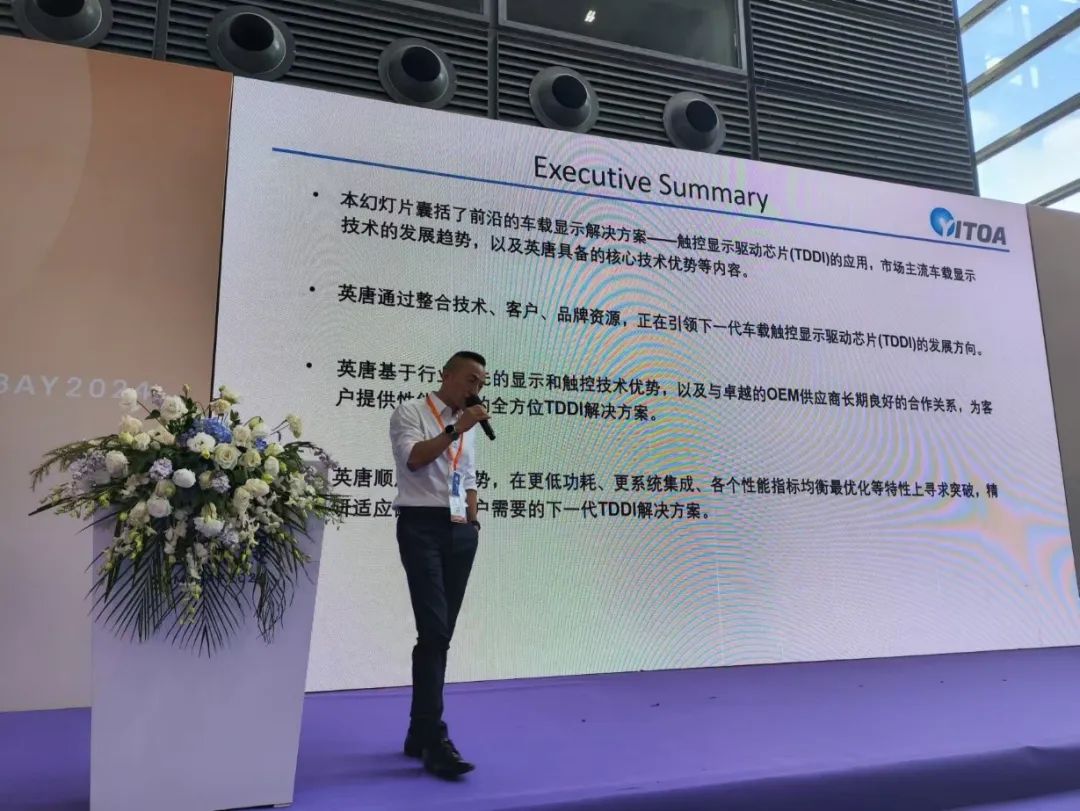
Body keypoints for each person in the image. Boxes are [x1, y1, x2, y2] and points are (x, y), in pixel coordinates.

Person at [389, 350, 490, 779]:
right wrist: (454, 429)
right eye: (470, 379)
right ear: (446, 375)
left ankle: (419, 731)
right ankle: (434, 738)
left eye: (481, 383)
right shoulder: (411, 412)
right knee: (432, 631)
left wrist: (473, 521)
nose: (476, 388)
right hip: (421, 527)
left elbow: (467, 476)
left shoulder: (465, 427)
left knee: (440, 635)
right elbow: (414, 458)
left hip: (458, 531)